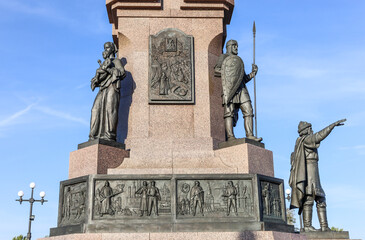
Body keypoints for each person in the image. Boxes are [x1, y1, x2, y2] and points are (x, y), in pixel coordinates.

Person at [289, 119, 346, 232]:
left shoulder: (303, 141)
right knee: (309, 197)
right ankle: (307, 226)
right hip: (309, 172)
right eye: (310, 128)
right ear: (306, 130)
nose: (312, 130)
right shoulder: (306, 140)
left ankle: (324, 226)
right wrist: (332, 125)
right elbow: (319, 136)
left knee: (320, 198)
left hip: (314, 171)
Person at [214, 39, 262, 142]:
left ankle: (250, 135)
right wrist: (228, 72)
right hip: (229, 88)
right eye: (234, 46)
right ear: (229, 47)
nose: (236, 48)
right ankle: (230, 136)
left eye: (237, 46)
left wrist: (253, 73)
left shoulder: (237, 61)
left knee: (249, 110)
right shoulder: (224, 58)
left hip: (241, 89)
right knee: (229, 113)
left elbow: (243, 78)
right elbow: (217, 70)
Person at [89, 42, 126, 141]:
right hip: (103, 88)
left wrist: (110, 69)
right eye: (104, 48)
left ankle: (110, 134)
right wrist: (95, 81)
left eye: (107, 48)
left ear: (113, 49)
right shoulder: (104, 62)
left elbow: (122, 73)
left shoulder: (116, 61)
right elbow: (99, 76)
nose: (105, 50)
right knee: (95, 109)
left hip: (112, 86)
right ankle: (93, 135)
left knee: (110, 109)